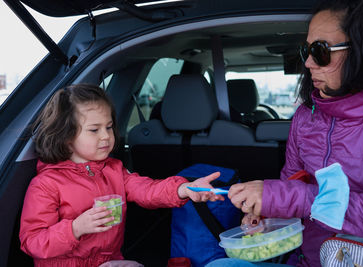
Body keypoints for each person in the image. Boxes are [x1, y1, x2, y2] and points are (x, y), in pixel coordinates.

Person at [207, 0, 363, 266]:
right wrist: (267, 216)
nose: (308, 62)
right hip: (307, 258)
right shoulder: (305, 117)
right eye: (306, 50)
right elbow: (292, 187)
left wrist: (280, 197)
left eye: (320, 51)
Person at [19, 84, 224, 267]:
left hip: (110, 261)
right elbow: (32, 242)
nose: (106, 136)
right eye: (94, 130)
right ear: (66, 136)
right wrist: (75, 228)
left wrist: (183, 188)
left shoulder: (114, 169)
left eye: (108, 127)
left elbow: (147, 190)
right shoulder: (46, 184)